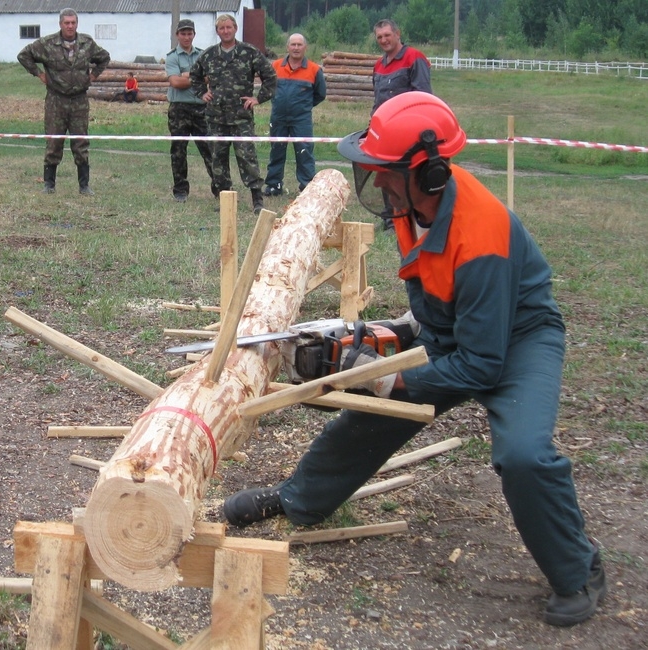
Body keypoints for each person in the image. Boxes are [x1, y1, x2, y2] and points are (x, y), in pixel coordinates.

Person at [223, 92, 607, 628]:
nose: (377, 182)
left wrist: (386, 381)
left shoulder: (482, 235)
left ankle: (579, 570)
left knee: (522, 454)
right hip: (462, 330)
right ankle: (297, 500)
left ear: (427, 173)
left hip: (517, 342)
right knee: (369, 418)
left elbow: (481, 365)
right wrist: (399, 330)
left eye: (386, 171)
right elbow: (436, 288)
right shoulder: (414, 207)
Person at [17, 8, 110, 195]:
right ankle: (49, 185)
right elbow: (23, 55)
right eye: (66, 23)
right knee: (53, 142)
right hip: (56, 100)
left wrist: (92, 76)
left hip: (79, 101)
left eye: (73, 23)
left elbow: (104, 58)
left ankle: (84, 186)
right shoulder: (47, 44)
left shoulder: (87, 43)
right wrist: (39, 74)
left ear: (77, 24)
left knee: (80, 142)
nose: (70, 26)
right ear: (60, 24)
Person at [190, 14, 277, 215]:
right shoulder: (209, 55)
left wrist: (258, 98)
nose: (226, 31)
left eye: (229, 27)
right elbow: (194, 75)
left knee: (247, 157)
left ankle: (257, 199)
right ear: (217, 31)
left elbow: (270, 76)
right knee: (218, 158)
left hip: (241, 117)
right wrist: (202, 92)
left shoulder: (249, 52)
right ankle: (224, 198)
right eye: (222, 28)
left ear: (235, 28)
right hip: (216, 117)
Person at [372, 18, 432, 230]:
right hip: (384, 132)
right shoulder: (379, 65)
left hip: (408, 133)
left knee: (407, 177)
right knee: (386, 175)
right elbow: (377, 101)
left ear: (398, 34)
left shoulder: (414, 58)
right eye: (379, 37)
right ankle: (389, 220)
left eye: (387, 35)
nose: (384, 40)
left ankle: (408, 219)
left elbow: (423, 98)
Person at [262, 33, 326, 197]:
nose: (296, 48)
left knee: (304, 151)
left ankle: (307, 186)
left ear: (305, 47)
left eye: (299, 45)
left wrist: (303, 107)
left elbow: (320, 94)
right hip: (278, 117)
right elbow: (268, 87)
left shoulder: (314, 69)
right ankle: (273, 185)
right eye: (293, 45)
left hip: (301, 119)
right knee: (276, 150)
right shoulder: (275, 66)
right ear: (287, 47)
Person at [165, 19, 218, 203]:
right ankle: (180, 190)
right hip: (179, 108)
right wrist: (198, 77)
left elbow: (211, 77)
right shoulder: (172, 57)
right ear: (177, 35)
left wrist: (187, 75)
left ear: (194, 35)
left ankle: (218, 187)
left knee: (209, 149)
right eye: (183, 34)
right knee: (178, 150)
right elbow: (176, 83)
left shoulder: (203, 55)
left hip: (201, 108)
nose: (186, 37)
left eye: (189, 34)